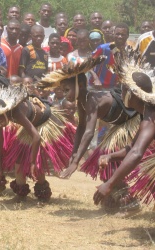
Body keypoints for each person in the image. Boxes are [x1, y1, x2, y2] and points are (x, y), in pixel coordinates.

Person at [39, 56, 138, 181]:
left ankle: (122, 195)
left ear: (80, 85)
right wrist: (74, 153)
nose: (65, 94)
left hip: (132, 121)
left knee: (110, 163)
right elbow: (81, 126)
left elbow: (89, 132)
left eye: (67, 90)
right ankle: (116, 195)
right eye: (63, 91)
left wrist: (76, 162)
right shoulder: (82, 101)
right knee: (107, 166)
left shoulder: (90, 100)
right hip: (119, 126)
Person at [0, 84, 75, 202]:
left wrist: (32, 162)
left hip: (43, 124)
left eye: (0, 121)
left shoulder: (16, 113)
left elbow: (36, 137)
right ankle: (21, 194)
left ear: (4, 113)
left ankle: (43, 193)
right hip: (30, 127)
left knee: (37, 162)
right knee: (18, 160)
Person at [93, 66, 155, 214]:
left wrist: (109, 183)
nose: (121, 93)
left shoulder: (150, 117)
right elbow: (132, 148)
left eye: (124, 89)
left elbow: (137, 153)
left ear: (134, 94)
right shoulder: (145, 113)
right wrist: (110, 156)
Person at [90, 23, 131, 90]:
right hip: (99, 87)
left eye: (123, 34)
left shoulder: (130, 52)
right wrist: (96, 78)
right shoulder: (103, 48)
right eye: (117, 34)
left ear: (127, 36)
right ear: (113, 34)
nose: (120, 36)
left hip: (118, 88)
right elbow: (88, 64)